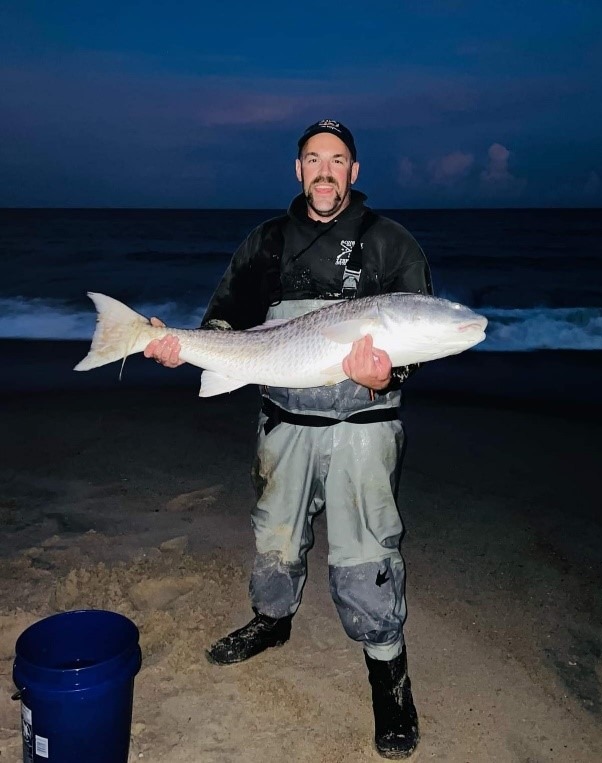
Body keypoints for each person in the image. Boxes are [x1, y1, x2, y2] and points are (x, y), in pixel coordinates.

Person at [144, 119, 432, 759]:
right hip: (284, 424)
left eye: (337, 160)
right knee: (275, 536)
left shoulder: (391, 244)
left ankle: (389, 679)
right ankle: (272, 623)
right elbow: (225, 317)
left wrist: (393, 373)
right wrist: (182, 346)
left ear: (355, 173)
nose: (325, 170)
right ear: (296, 169)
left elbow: (421, 332)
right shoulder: (266, 243)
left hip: (366, 424)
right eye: (313, 159)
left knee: (366, 554)